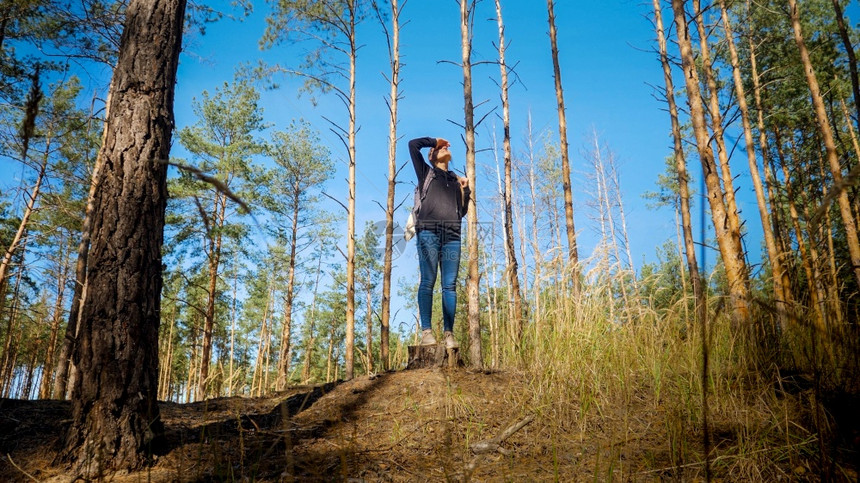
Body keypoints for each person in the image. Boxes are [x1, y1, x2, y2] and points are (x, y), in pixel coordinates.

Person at [408, 136, 471, 349]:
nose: (444, 147)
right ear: (432, 155)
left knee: (450, 286)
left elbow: (461, 211)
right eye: (439, 148)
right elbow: (412, 145)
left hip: (452, 235)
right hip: (428, 232)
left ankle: (449, 335)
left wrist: (466, 189)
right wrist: (434, 140)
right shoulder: (427, 173)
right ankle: (427, 332)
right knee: (428, 280)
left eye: (445, 146)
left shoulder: (455, 180)